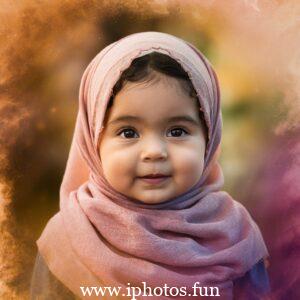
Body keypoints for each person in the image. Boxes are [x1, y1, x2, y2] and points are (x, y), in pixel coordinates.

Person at [30, 32, 270, 299]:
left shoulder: (237, 234)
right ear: (92, 140)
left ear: (209, 137)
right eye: (129, 132)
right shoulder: (68, 239)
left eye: (177, 131)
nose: (155, 152)